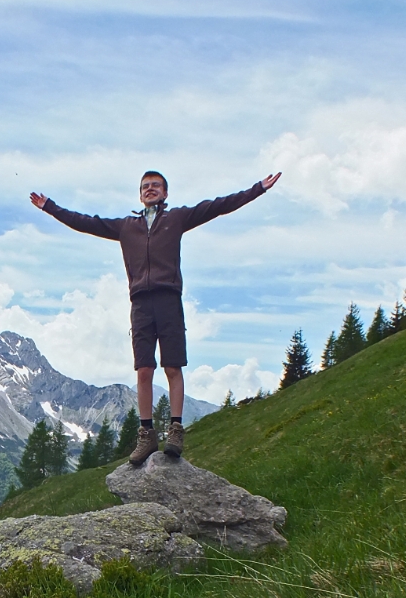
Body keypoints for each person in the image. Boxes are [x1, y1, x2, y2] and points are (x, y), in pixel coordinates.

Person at [30, 170, 280, 465]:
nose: (150, 189)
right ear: (139, 194)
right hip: (140, 303)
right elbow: (86, 222)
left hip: (168, 299)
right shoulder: (126, 226)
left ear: (165, 193)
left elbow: (218, 206)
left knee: (173, 366)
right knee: (144, 369)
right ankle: (147, 435)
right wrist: (50, 207)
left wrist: (257, 189)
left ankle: (175, 430)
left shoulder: (177, 219)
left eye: (156, 186)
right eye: (145, 186)